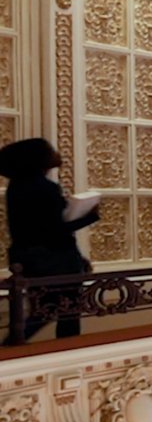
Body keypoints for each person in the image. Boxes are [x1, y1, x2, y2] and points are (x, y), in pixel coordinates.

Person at [0, 138, 99, 341]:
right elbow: (55, 230)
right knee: (66, 311)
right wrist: (90, 216)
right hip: (54, 259)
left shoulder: (16, 187)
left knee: (42, 311)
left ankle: (11, 346)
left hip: (29, 257)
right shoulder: (46, 188)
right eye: (50, 150)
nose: (56, 153)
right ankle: (67, 352)